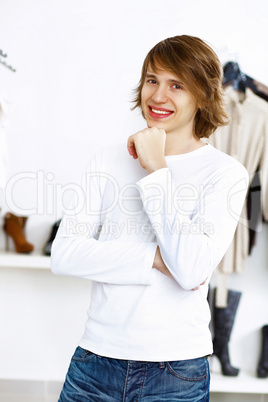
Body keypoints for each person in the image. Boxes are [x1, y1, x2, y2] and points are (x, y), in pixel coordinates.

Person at [51, 35, 249, 401]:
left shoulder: (225, 173)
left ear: (203, 96)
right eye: (152, 80)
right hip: (96, 361)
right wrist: (154, 258)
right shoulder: (108, 159)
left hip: (176, 372)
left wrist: (157, 170)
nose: (158, 96)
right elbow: (64, 254)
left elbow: (189, 270)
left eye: (177, 85)